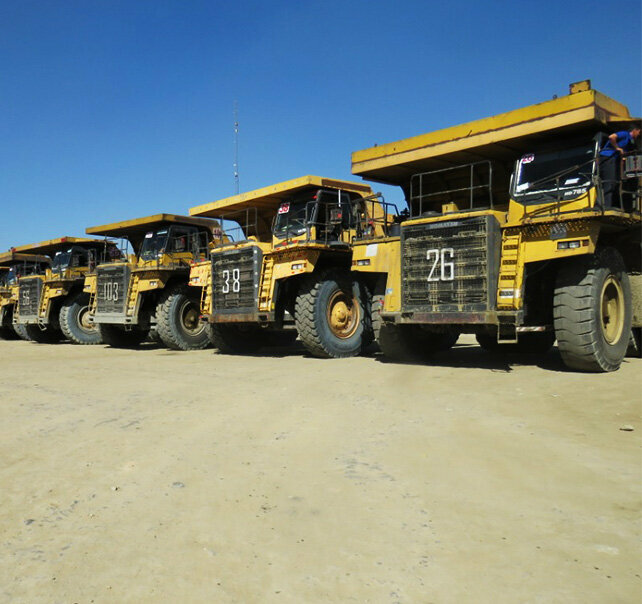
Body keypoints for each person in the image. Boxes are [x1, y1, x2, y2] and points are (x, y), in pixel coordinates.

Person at [599, 126, 640, 207]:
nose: (639, 135)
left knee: (616, 183)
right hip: (608, 157)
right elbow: (612, 137)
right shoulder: (625, 134)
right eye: (639, 132)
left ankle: (615, 205)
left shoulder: (630, 142)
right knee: (610, 182)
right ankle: (607, 206)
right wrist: (617, 148)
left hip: (615, 160)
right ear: (635, 130)